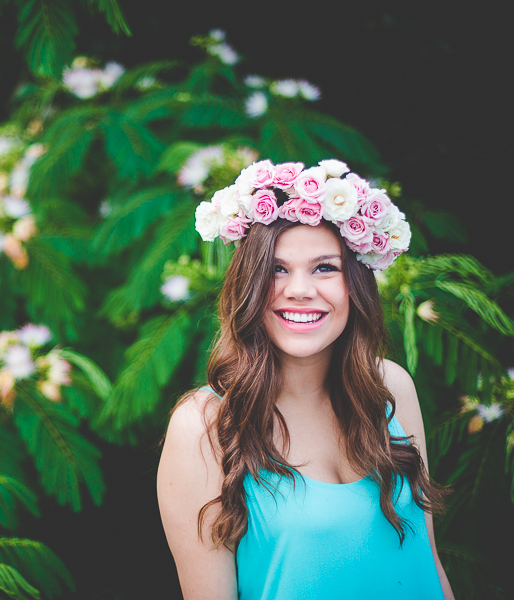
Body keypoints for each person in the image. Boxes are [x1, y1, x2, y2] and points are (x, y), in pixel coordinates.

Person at [157, 159, 455, 599]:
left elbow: (428, 563)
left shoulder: (390, 387)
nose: (298, 290)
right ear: (249, 284)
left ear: (356, 285)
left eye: (324, 268)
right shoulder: (204, 424)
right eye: (277, 269)